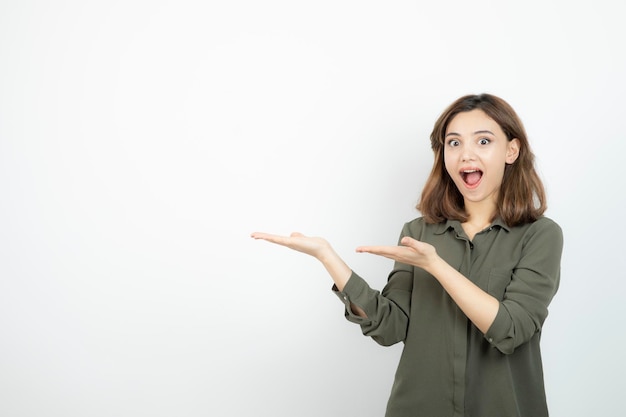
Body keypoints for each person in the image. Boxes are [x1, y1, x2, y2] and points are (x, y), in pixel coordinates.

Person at [251, 93, 563, 417]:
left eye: (483, 141)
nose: (466, 154)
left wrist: (437, 267)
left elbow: (511, 330)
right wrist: (328, 257)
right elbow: (390, 327)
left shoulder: (540, 236)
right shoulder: (419, 232)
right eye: (453, 143)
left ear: (512, 150)